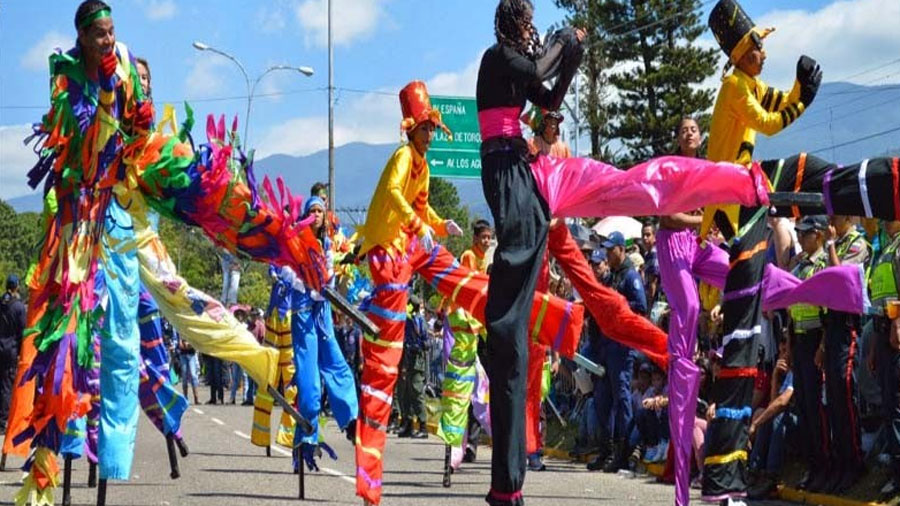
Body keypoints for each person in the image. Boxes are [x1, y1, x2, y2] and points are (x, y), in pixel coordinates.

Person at [701, 0, 823, 502]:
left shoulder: (748, 83)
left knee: (745, 344)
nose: (764, 53)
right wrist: (804, 99)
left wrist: (801, 91)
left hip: (747, 206)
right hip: (729, 220)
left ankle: (727, 479)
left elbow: (777, 102)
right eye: (757, 47)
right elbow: (770, 122)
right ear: (740, 54)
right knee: (735, 344)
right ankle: (721, 480)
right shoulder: (733, 86)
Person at [476, 3, 584, 499]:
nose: (530, 31)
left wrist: (573, 61)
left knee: (537, 225)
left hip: (516, 164)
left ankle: (505, 329)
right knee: (521, 238)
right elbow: (539, 69)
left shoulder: (517, 63)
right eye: (525, 23)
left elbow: (547, 93)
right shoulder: (497, 57)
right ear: (510, 25)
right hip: (501, 163)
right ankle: (498, 327)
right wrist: (564, 42)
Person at [284, 196, 359, 471]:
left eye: (319, 211)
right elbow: (284, 272)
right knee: (310, 386)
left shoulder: (327, 243)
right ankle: (306, 437)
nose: (315, 215)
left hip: (322, 311)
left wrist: (323, 282)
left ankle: (351, 421)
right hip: (303, 312)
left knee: (338, 365)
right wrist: (306, 283)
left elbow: (329, 273)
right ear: (305, 215)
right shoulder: (294, 240)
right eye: (311, 211)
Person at [587, 231, 645, 473]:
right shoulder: (612, 277)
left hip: (622, 348)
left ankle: (624, 451)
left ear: (621, 249)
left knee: (622, 400)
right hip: (605, 346)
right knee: (602, 400)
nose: (608, 254)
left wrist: (618, 304)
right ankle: (606, 449)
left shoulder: (631, 276)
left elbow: (641, 306)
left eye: (611, 250)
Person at [821, 216, 869, 492]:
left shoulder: (856, 243)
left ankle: (854, 461)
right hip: (832, 326)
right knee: (834, 400)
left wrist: (829, 244)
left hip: (849, 326)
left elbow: (839, 281)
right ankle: (840, 461)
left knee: (845, 392)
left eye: (835, 216)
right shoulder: (836, 243)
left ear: (848, 217)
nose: (831, 221)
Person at [786, 216, 829, 491]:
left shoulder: (823, 263)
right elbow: (791, 303)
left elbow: (828, 307)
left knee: (816, 407)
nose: (800, 239)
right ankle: (812, 464)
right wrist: (788, 343)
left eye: (805, 234)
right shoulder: (800, 264)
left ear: (818, 234)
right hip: (798, 338)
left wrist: (823, 345)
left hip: (816, 339)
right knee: (802, 405)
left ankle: (823, 465)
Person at [868, 220, 900, 499]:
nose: (885, 221)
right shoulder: (887, 248)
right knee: (889, 406)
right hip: (882, 331)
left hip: (895, 331)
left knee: (897, 407)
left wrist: (897, 320)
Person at [747, 333, 795, 500]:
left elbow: (782, 402)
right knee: (768, 415)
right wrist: (775, 376)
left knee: (775, 418)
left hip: (804, 422)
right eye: (781, 351)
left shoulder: (797, 372)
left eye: (786, 350)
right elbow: (773, 402)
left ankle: (771, 477)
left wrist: (755, 424)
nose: (783, 355)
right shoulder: (785, 374)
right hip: (787, 420)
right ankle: (753, 471)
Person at [399, 297, 428, 439]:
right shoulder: (408, 320)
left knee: (416, 393)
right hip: (407, 359)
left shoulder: (419, 321)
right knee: (406, 393)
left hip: (416, 361)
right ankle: (408, 424)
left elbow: (425, 342)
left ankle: (423, 425)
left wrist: (417, 346)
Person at [0, 274, 25, 433]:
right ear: (16, 286)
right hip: (10, 350)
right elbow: (22, 331)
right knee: (6, 386)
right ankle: (2, 422)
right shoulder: (19, 307)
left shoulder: (1, 303)